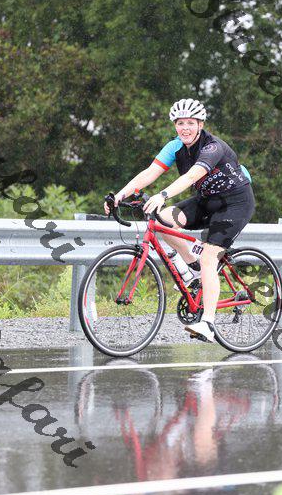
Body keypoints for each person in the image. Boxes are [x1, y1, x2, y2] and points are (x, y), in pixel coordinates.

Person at [104, 98, 255, 343]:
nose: (185, 128)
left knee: (209, 257)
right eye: (180, 123)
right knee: (162, 220)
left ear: (200, 124)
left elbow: (192, 176)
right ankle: (192, 270)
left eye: (190, 123)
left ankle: (207, 323)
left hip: (235, 204)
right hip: (207, 201)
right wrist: (120, 195)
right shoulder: (175, 146)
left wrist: (163, 195)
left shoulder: (213, 147)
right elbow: (150, 172)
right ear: (175, 125)